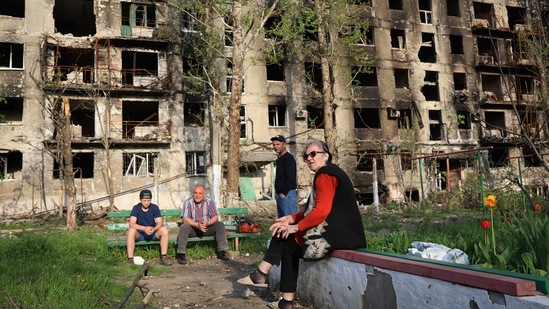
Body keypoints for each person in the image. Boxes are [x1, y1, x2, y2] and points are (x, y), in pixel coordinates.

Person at [237, 140, 366, 309]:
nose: (309, 159)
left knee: (285, 238)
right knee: (285, 236)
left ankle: (263, 277)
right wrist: (291, 218)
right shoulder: (333, 173)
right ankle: (280, 296)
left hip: (336, 237)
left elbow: (321, 211)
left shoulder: (325, 175)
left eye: (314, 154)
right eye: (306, 156)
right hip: (346, 235)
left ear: (325, 155)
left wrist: (296, 227)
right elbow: (316, 210)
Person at [176, 184, 230, 264]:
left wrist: (207, 223)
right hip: (193, 228)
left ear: (204, 194)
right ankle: (181, 254)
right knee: (184, 227)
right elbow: (185, 218)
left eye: (200, 193)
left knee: (220, 225)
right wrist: (196, 225)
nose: (197, 195)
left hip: (207, 227)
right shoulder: (188, 202)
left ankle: (222, 252)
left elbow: (215, 217)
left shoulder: (210, 201)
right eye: (195, 193)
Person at [126, 189, 172, 266]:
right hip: (140, 234)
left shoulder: (154, 207)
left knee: (164, 230)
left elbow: (160, 222)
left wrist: (154, 229)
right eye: (144, 200)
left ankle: (163, 257)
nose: (147, 203)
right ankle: (130, 259)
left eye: (148, 200)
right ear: (140, 200)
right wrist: (144, 228)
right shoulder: (136, 208)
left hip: (152, 233)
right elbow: (132, 223)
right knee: (131, 231)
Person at [271, 134, 297, 217]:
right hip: (280, 194)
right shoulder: (280, 159)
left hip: (287, 194)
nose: (275, 146)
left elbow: (291, 178)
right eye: (274, 145)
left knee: (289, 220)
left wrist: (284, 193)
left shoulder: (288, 158)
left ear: (284, 144)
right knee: (282, 222)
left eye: (278, 144)